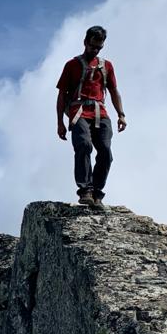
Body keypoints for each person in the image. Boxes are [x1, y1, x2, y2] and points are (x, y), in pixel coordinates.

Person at [56, 25, 127, 207]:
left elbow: (113, 90)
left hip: (100, 112)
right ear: (85, 42)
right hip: (78, 111)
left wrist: (121, 114)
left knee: (105, 151)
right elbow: (62, 94)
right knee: (84, 145)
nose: (95, 50)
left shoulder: (106, 66)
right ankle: (85, 191)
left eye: (99, 47)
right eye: (92, 46)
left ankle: (97, 192)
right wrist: (60, 123)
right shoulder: (71, 65)